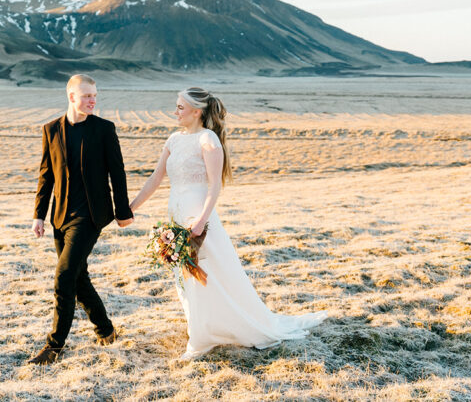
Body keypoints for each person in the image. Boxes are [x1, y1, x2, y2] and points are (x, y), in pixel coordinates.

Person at [130, 87, 327, 360]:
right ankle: (201, 327)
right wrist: (130, 209)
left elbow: (214, 186)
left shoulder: (207, 139)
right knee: (184, 275)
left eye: (180, 107)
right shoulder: (173, 140)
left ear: (197, 112)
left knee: (207, 271)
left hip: (198, 218)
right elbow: (155, 179)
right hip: (176, 215)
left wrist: (200, 222)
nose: (175, 112)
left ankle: (201, 339)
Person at [27, 74, 134, 365]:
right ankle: (106, 330)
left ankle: (54, 346)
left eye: (95, 95)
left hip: (90, 216)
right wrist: (39, 214)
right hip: (60, 217)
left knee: (64, 276)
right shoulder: (50, 130)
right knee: (78, 276)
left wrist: (122, 211)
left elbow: (117, 172)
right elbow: (46, 175)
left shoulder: (104, 129)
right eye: (87, 95)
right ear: (71, 96)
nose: (92, 100)